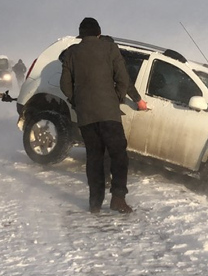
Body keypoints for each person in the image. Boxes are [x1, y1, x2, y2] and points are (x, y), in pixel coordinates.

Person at [60, 17, 146, 214]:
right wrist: (116, 97)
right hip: (109, 114)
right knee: (118, 155)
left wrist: (77, 101)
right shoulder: (109, 48)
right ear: (99, 33)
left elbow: (65, 85)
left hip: (86, 116)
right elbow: (123, 78)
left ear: (81, 35)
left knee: (94, 157)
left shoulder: (72, 53)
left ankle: (95, 203)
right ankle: (118, 198)